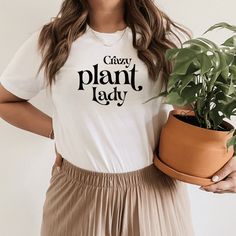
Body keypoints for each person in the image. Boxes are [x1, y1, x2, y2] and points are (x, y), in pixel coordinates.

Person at [3, 0, 232, 235]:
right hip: (76, 194)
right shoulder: (51, 41)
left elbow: (198, 118)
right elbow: (5, 100)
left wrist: (228, 157)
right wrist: (58, 130)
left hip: (153, 192)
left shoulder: (164, 39)